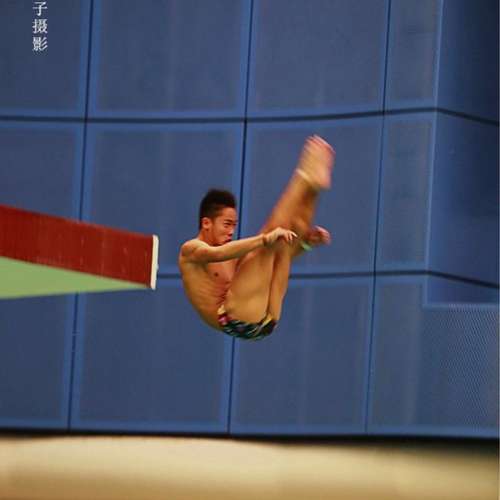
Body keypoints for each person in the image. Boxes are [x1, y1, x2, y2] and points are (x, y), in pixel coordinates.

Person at [178, 135, 335, 341]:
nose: (231, 231)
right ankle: (303, 177)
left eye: (233, 225)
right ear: (206, 223)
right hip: (233, 319)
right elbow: (217, 254)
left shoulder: (232, 255)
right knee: (269, 238)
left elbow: (261, 274)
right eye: (226, 224)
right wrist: (264, 239)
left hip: (266, 318)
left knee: (287, 239)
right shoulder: (190, 250)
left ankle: (313, 189)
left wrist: (305, 245)